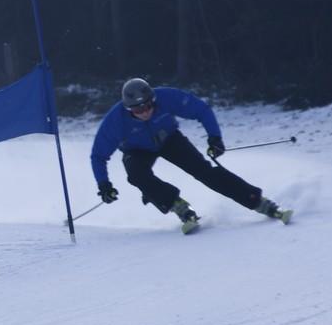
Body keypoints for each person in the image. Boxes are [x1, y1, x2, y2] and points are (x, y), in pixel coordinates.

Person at [90, 77, 287, 232]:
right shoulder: (115, 121)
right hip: (137, 150)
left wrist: (214, 138)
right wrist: (104, 185)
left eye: (148, 106)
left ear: (154, 100)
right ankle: (178, 206)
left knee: (204, 172)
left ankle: (258, 201)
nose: (144, 112)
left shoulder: (167, 97)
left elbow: (202, 110)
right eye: (137, 109)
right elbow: (98, 156)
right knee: (136, 175)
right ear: (128, 109)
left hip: (169, 139)